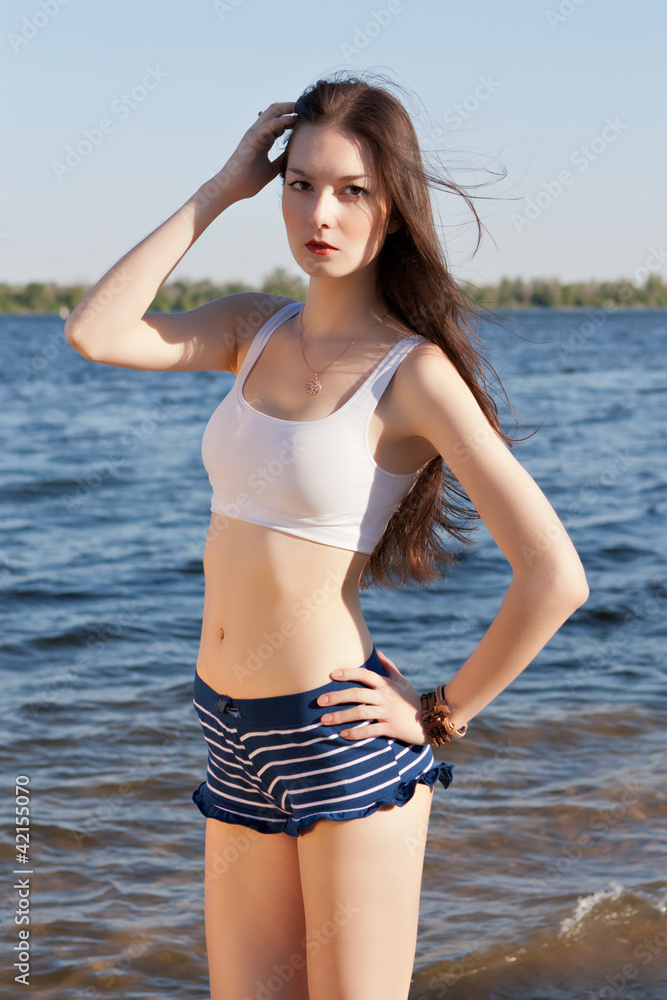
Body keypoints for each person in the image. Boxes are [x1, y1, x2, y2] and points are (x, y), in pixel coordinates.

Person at [64, 72, 589, 1000]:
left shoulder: (412, 375)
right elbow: (95, 333)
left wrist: (439, 715)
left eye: (352, 190)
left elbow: (553, 575)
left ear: (392, 209)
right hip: (227, 731)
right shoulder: (248, 330)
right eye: (300, 183)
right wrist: (223, 189)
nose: (322, 212)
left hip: (337, 737)